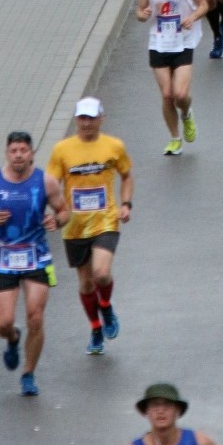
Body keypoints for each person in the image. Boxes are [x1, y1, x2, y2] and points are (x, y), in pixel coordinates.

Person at [0, 133, 69, 397]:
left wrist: (57, 222)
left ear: (32, 153)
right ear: (6, 153)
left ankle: (28, 373)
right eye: (13, 150)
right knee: (3, 322)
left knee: (35, 317)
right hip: (4, 256)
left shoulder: (45, 181)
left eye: (23, 150)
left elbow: (64, 210)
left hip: (36, 255)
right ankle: (13, 338)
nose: (18, 155)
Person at [46, 97, 133, 356]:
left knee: (101, 273)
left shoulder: (114, 146)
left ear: (101, 119)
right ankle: (96, 329)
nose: (86, 123)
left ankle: (105, 305)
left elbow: (127, 175)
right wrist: (51, 212)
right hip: (74, 226)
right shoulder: (62, 150)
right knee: (85, 284)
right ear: (76, 120)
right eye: (82, 118)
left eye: (91, 118)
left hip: (105, 221)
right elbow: (50, 185)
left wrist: (126, 203)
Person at [136, 0, 208, 155]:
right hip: (159, 43)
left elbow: (204, 5)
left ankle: (186, 114)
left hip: (183, 41)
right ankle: (175, 139)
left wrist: (192, 17)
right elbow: (139, 12)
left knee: (180, 94)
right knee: (167, 94)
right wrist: (144, 14)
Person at [125, 383, 223, 445]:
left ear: (177, 409)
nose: (161, 411)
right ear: (146, 411)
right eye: (154, 405)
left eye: (167, 405)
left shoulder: (199, 442)